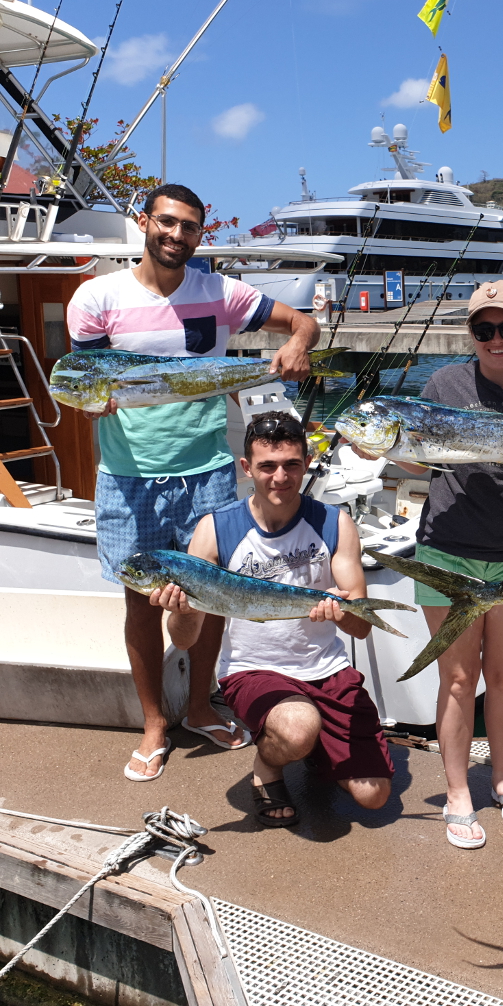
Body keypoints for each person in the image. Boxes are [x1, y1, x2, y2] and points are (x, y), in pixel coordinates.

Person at [65, 183, 320, 781]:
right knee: (140, 604)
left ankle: (201, 705)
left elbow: (301, 322)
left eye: (190, 227)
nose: (177, 236)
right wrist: (89, 404)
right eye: (168, 223)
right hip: (130, 477)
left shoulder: (220, 292)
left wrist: (299, 345)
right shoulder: (95, 298)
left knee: (210, 598)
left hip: (206, 472)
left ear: (199, 235)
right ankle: (155, 723)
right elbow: (81, 378)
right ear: (144, 223)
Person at [368, 281, 503, 848]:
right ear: (472, 335)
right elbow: (415, 462)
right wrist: (382, 448)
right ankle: (458, 790)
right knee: (457, 679)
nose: (497, 340)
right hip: (448, 549)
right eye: (485, 330)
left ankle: (502, 778)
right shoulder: (443, 384)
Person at [152, 413, 393, 825]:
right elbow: (185, 639)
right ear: (246, 468)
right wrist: (183, 610)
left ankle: (312, 747)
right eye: (267, 466)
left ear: (306, 463)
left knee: (373, 796)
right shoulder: (214, 529)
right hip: (253, 670)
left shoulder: (336, 524)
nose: (280, 477)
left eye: (291, 465)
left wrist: (339, 613)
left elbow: (360, 625)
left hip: (326, 668)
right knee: (298, 725)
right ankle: (268, 768)